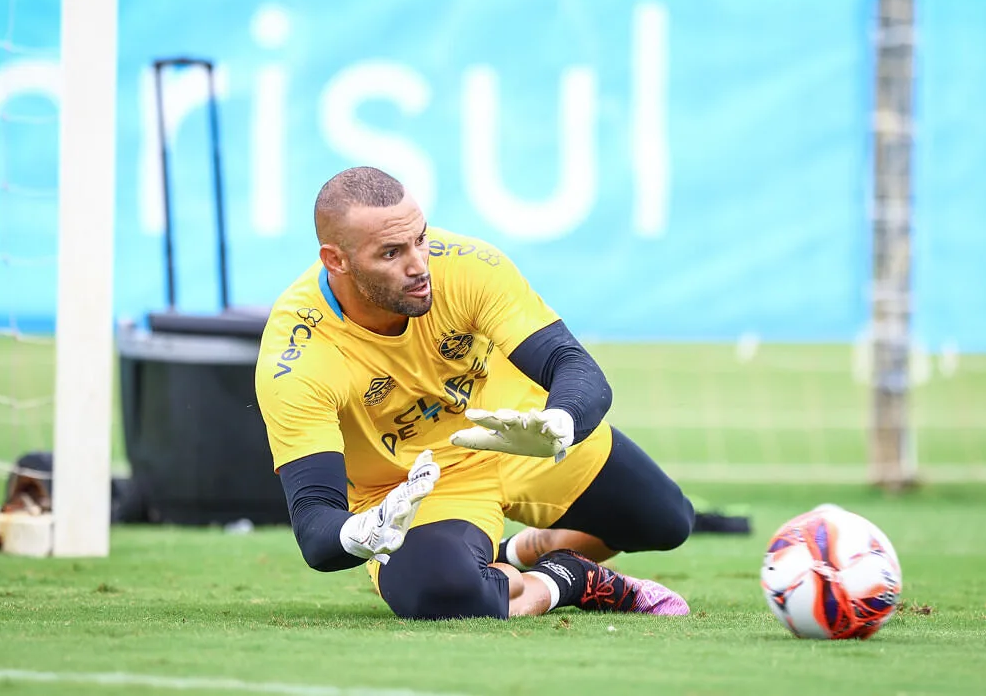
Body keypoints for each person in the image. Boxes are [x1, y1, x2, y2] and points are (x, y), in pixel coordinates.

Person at [254, 166, 693, 620]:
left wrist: (558, 423)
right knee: (444, 597)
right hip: (415, 487)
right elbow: (314, 524)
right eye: (390, 253)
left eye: (420, 239)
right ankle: (570, 578)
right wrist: (361, 531)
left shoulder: (466, 265)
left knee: (665, 520)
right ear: (336, 260)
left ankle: (525, 551)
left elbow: (573, 365)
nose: (419, 265)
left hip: (518, 434)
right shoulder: (297, 356)